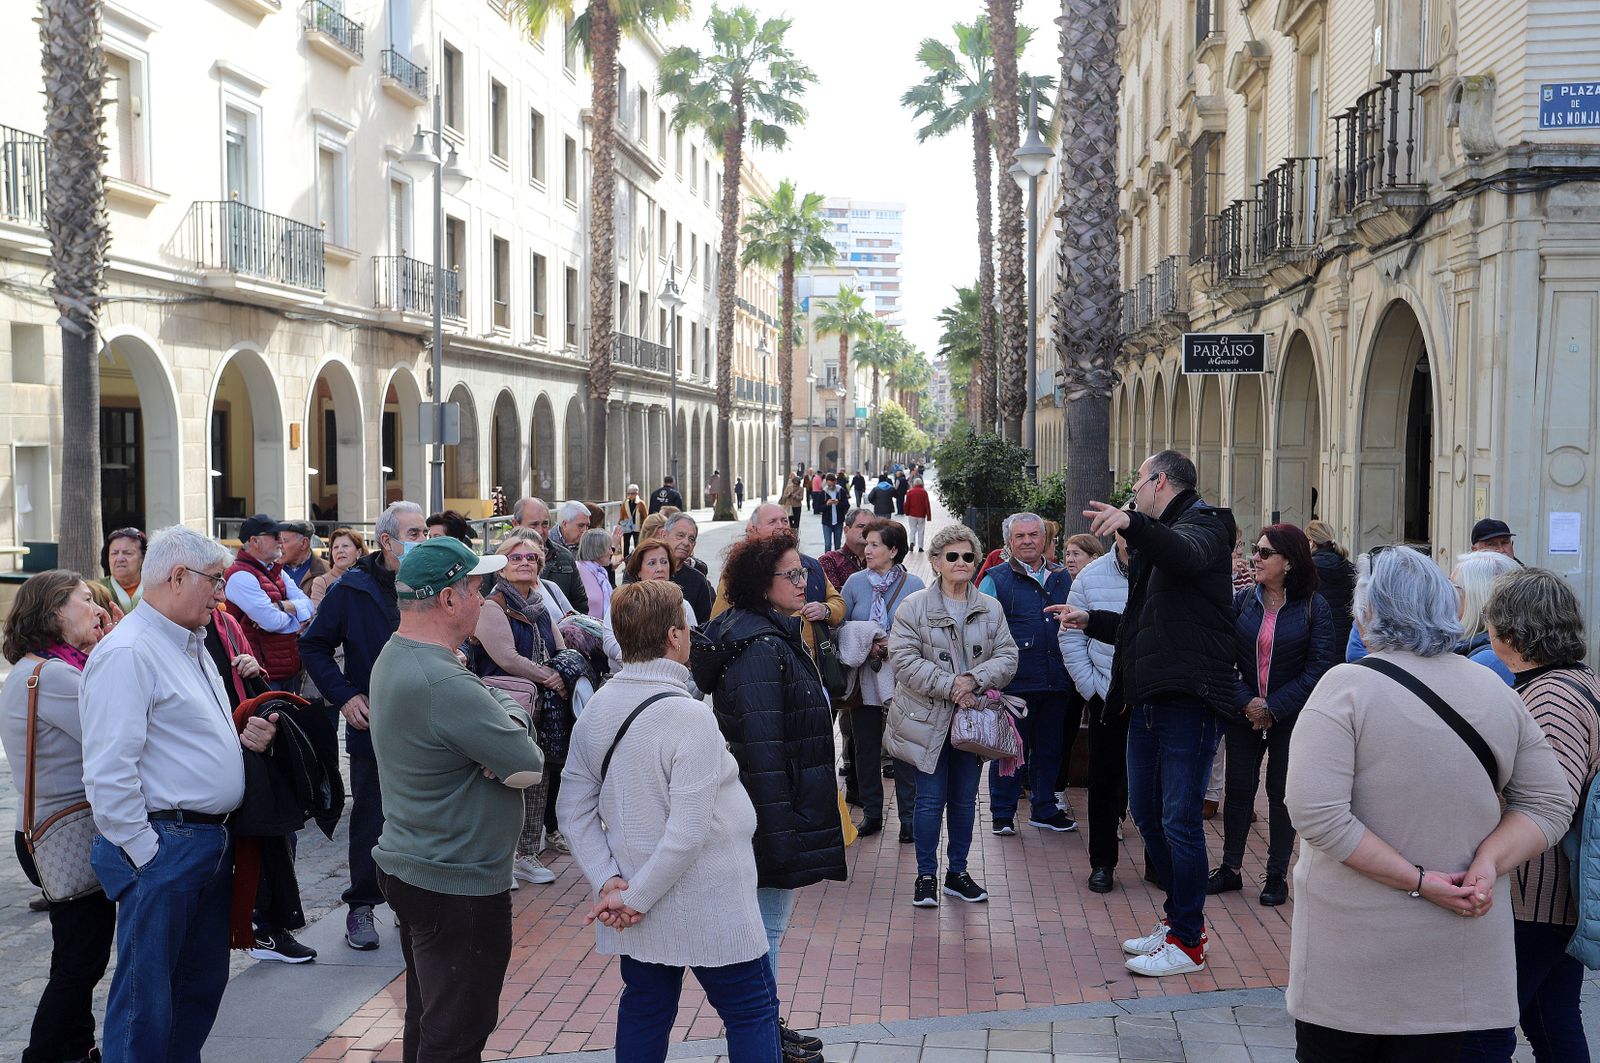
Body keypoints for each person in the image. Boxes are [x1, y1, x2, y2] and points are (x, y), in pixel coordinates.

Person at [1283, 546, 1573, 1061]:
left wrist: (1419, 882)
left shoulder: (1345, 687)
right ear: (1449, 609)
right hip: (1465, 973)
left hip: (1353, 977)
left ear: (1368, 614)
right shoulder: (1493, 687)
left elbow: (1315, 813)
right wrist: (1489, 863)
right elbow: (1549, 803)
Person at [80, 526, 280, 1063]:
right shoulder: (130, 652)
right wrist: (145, 851)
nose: (221, 594)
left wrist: (241, 743)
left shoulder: (187, 642)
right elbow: (108, 770)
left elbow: (180, 738)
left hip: (200, 840)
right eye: (215, 582)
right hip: (164, 844)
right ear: (177, 577)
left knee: (195, 990)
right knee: (147, 1002)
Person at [561, 581, 780, 1062]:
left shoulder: (597, 707)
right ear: (675, 636)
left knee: (644, 1008)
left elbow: (571, 807)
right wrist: (630, 898)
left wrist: (610, 883)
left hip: (633, 894)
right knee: (752, 1012)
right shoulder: (689, 716)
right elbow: (688, 832)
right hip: (709, 899)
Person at [1059, 450, 1238, 977]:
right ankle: (1178, 922)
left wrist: (1133, 525)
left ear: (1159, 481)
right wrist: (1090, 620)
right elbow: (1143, 628)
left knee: (1180, 821)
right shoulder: (1159, 544)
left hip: (1189, 698)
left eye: (1137, 483)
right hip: (1148, 697)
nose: (1132, 491)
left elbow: (1185, 552)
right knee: (1145, 812)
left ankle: (1188, 940)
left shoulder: (1207, 523)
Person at [369, 537, 545, 1063]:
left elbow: (497, 732)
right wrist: (510, 715)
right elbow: (526, 763)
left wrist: (492, 711)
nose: (484, 598)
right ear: (447, 599)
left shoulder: (400, 653)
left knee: (430, 1019)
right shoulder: (443, 678)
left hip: (419, 862)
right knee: (457, 1030)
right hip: (456, 879)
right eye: (475, 588)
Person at [690, 531, 846, 1063]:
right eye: (793, 575)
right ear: (762, 583)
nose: (805, 583)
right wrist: (779, 838)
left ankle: (769, 1022)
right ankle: (763, 1031)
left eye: (804, 572)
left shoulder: (772, 632)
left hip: (778, 810)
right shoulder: (758, 645)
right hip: (767, 817)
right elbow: (762, 750)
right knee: (765, 930)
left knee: (767, 928)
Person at [1459, 568, 1600, 1062]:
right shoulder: (1573, 681)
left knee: (1483, 1032)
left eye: (1492, 623)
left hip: (1538, 899)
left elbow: (1550, 804)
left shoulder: (1551, 697)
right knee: (1552, 1022)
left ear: (1512, 634)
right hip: (1553, 897)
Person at [0, 572, 117, 1063]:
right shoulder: (58, 677)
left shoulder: (36, 669)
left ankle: (77, 1048)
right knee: (79, 962)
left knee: (74, 955)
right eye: (85, 600)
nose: (97, 608)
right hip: (68, 834)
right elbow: (118, 732)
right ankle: (43, 1053)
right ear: (53, 612)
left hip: (43, 831)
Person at [301, 500, 427, 951]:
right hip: (372, 721)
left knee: (419, 817)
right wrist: (344, 695)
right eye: (413, 534)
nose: (422, 541)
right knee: (371, 818)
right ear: (388, 541)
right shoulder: (352, 588)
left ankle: (410, 902)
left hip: (427, 722)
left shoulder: (430, 581)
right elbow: (312, 645)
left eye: (424, 533)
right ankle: (362, 906)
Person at [884, 524, 1019, 909]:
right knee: (928, 802)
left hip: (973, 721)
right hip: (927, 720)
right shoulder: (913, 607)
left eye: (968, 556)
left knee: (964, 801)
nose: (961, 563)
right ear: (936, 561)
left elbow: (1008, 657)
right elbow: (903, 660)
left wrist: (974, 680)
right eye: (952, 556)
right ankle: (925, 875)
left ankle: (957, 873)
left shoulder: (990, 608)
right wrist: (951, 685)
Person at [1207, 524, 1336, 907]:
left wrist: (1274, 707)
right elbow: (1222, 658)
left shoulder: (1315, 606)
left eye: (1265, 553)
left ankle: (1276, 875)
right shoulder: (1244, 601)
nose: (1255, 559)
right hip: (1243, 712)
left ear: (1289, 563)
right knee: (1239, 790)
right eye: (1256, 552)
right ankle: (1230, 869)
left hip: (1290, 716)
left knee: (1280, 794)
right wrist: (1247, 701)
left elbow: (1319, 667)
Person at [473, 533, 571, 887]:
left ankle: (528, 853)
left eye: (531, 558)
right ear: (502, 566)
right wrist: (551, 678)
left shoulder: (541, 607)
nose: (525, 563)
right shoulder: (493, 606)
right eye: (516, 558)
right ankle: (502, 859)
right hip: (505, 706)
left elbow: (559, 647)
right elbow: (506, 659)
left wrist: (562, 672)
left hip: (541, 709)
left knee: (537, 778)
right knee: (503, 779)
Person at [977, 513, 1079, 835]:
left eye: (1033, 535)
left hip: (1056, 678)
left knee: (1050, 748)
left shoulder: (1064, 579)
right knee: (1009, 748)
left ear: (1044, 538)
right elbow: (982, 630)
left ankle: (1044, 809)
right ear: (1009, 542)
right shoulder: (995, 578)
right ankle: (1003, 814)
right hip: (1014, 680)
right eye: (1019, 536)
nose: (1027, 541)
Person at [840, 520, 924, 840]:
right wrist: (866, 638)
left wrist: (895, 644)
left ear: (893, 550)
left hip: (902, 682)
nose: (867, 549)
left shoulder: (914, 585)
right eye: (867, 543)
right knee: (865, 748)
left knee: (902, 751)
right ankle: (872, 814)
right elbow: (842, 627)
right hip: (864, 680)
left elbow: (924, 630)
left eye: (875, 544)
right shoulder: (854, 583)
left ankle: (908, 819)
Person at [1061, 531, 1130, 893]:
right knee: (1103, 782)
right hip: (1106, 694)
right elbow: (1070, 633)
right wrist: (1091, 688)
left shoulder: (1167, 571)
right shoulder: (1091, 576)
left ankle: (1158, 863)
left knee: (1157, 785)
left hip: (1154, 697)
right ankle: (1102, 863)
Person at [713, 504, 845, 659]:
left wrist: (826, 610)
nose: (781, 526)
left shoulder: (811, 565)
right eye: (772, 522)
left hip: (813, 666)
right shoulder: (741, 572)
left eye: (784, 521)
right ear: (755, 529)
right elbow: (719, 624)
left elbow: (839, 603)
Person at [224, 513, 313, 692]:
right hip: (261, 673)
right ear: (254, 541)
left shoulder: (276, 571)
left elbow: (309, 605)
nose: (280, 540)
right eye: (274, 536)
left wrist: (282, 606)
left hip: (285, 669)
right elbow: (271, 622)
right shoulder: (240, 576)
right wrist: (298, 618)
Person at [604, 539, 697, 674]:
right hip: (627, 676)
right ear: (638, 571)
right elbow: (609, 641)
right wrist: (638, 663)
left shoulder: (682, 605)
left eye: (664, 562)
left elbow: (692, 642)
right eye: (652, 563)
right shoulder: (622, 602)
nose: (660, 568)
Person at [511, 498, 589, 616]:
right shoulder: (497, 561)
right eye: (534, 525)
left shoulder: (564, 557)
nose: (540, 531)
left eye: (545, 524)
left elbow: (580, 606)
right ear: (515, 524)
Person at [1455, 550, 1521, 684]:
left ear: (1478, 598)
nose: (1446, 594)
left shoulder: (1489, 661)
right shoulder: (1509, 650)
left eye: (1453, 587)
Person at [1305, 520, 1356, 650]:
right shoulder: (1349, 566)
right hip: (1346, 638)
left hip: (1319, 638)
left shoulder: (1308, 569)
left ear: (1311, 542)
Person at [662, 513, 713, 623]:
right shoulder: (644, 570)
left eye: (691, 539)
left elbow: (703, 626)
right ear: (664, 535)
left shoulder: (698, 580)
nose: (686, 543)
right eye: (680, 535)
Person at [820, 507, 872, 593]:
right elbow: (835, 597)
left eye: (871, 527)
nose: (866, 530)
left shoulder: (880, 558)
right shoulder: (830, 560)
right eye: (861, 526)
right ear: (846, 530)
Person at [308, 527, 365, 605]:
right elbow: (318, 614)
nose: (340, 551)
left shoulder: (369, 578)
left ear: (358, 552)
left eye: (345, 546)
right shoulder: (321, 582)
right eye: (335, 547)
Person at [99, 527, 146, 614]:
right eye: (114, 553)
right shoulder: (96, 590)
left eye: (127, 553)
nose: (120, 558)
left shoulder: (155, 588)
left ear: (143, 558)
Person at [576, 527, 616, 620]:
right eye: (608, 548)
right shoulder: (578, 569)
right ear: (597, 549)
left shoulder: (601, 572)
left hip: (604, 629)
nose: (611, 552)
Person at [277, 521, 326, 592]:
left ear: (304, 543)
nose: (279, 545)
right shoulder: (269, 569)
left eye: (284, 540)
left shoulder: (325, 571)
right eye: (278, 540)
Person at [819, 474, 847, 553]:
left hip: (838, 522)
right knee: (827, 544)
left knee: (837, 544)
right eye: (829, 485)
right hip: (826, 523)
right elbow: (818, 508)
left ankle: (837, 562)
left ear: (835, 482)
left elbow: (846, 505)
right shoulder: (823, 492)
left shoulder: (841, 491)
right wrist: (826, 505)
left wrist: (839, 503)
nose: (830, 487)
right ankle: (826, 562)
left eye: (832, 485)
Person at [903, 477, 931, 553]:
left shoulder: (910, 492)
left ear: (914, 484)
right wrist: (928, 516)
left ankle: (912, 542)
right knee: (921, 531)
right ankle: (920, 547)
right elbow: (927, 504)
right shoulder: (924, 492)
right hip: (921, 514)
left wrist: (906, 512)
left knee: (912, 529)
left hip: (912, 514)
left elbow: (907, 503)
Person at [619, 484, 646, 556]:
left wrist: (644, 526)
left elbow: (645, 516)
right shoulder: (625, 502)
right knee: (626, 544)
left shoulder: (641, 503)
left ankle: (637, 558)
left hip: (637, 526)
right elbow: (622, 514)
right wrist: (619, 524)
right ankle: (626, 559)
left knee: (637, 544)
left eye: (632, 493)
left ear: (637, 493)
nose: (630, 495)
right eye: (629, 493)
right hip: (627, 526)